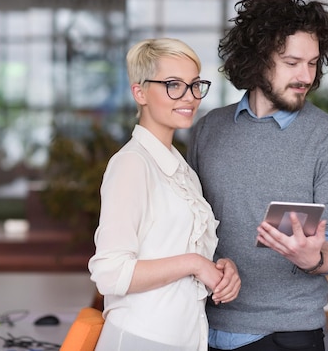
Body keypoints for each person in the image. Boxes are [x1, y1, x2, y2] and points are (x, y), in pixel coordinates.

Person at [187, 0, 328, 351]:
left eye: (312, 63)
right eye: (292, 63)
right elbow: (190, 224)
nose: (306, 76)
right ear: (258, 59)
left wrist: (313, 259)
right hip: (201, 326)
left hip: (288, 334)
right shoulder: (208, 130)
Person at [88, 38, 241, 351]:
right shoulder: (132, 164)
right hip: (139, 339)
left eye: (195, 85)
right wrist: (195, 264)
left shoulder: (180, 168)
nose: (189, 97)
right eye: (173, 85)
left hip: (181, 337)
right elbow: (110, 273)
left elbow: (174, 248)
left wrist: (218, 268)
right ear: (140, 92)